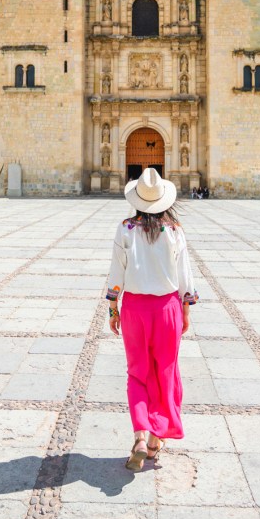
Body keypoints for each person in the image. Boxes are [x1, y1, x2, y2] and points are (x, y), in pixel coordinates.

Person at [104, 168, 197, 471]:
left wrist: (113, 309)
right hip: (167, 309)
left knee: (137, 372)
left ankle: (140, 436)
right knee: (165, 371)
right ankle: (157, 438)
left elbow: (116, 273)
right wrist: (186, 308)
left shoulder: (125, 229)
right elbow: (185, 276)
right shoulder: (175, 230)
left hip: (134, 309)